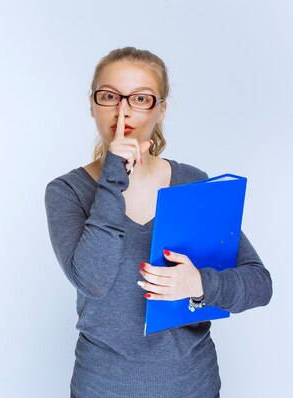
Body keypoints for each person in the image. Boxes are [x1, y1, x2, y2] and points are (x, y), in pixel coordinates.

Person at [43, 46, 273, 398]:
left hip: (192, 386)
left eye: (140, 98)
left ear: (161, 110)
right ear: (91, 105)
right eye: (109, 96)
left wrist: (200, 283)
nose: (123, 110)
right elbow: (94, 281)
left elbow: (259, 284)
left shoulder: (192, 184)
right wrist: (113, 178)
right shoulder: (67, 192)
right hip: (102, 388)